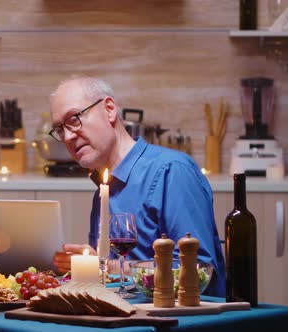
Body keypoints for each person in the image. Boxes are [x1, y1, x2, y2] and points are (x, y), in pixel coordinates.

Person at [49, 76, 225, 297]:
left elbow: (199, 273)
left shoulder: (171, 171)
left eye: (74, 119)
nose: (67, 137)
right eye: (59, 130)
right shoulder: (103, 190)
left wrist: (109, 267)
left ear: (109, 109)